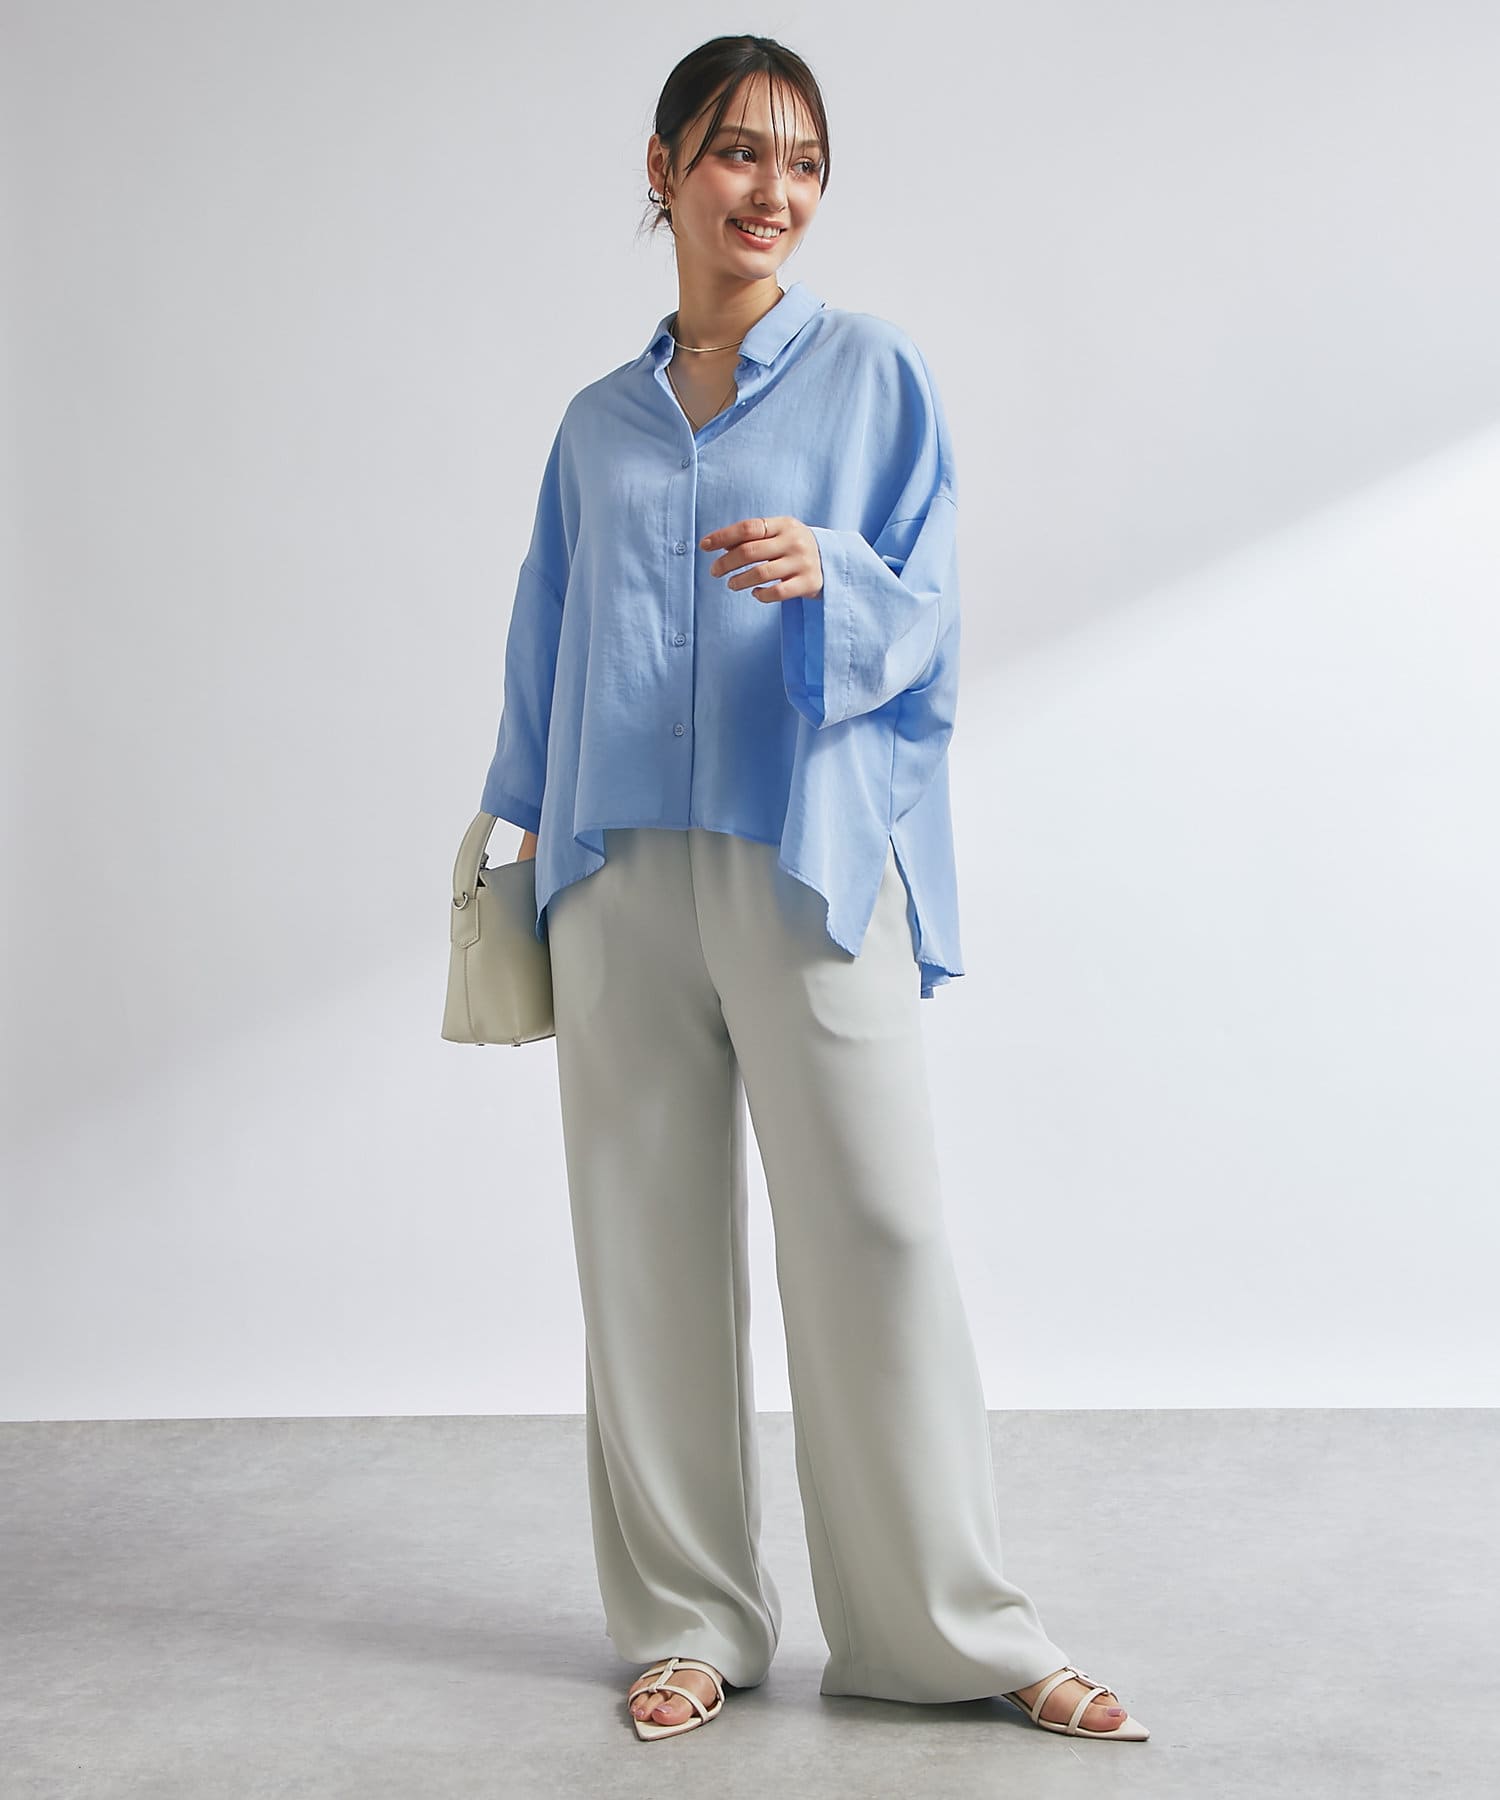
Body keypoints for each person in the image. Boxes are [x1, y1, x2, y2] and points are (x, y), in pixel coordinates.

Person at [479, 34, 1149, 1748]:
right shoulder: (595, 424)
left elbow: (931, 612)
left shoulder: (872, 374)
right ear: (663, 170)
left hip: (807, 862)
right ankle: (687, 1623)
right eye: (737, 153)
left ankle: (948, 1629)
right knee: (643, 1250)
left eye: (802, 162)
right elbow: (544, 642)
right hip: (616, 873)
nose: (771, 190)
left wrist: (827, 569)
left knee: (877, 1231)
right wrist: (518, 846)